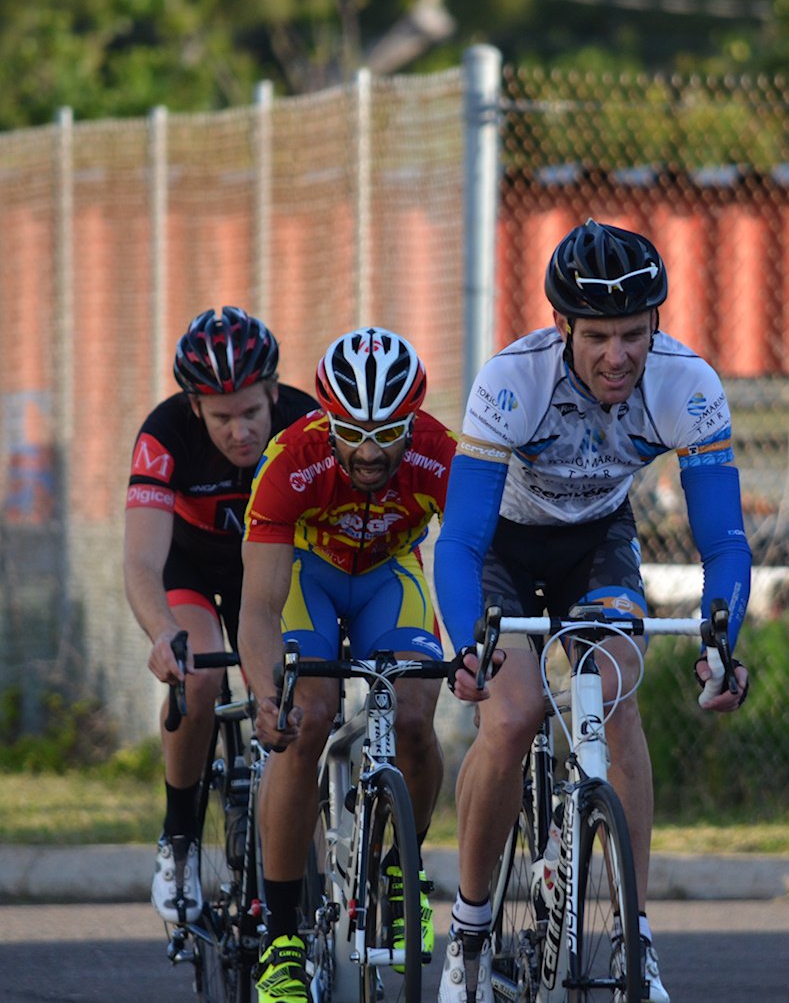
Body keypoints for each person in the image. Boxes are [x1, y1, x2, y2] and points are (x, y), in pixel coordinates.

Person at [433, 219, 754, 1003]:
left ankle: (634, 937)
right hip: (502, 546)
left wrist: (721, 644)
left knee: (614, 700)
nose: (619, 356)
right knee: (509, 719)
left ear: (657, 327)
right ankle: (470, 938)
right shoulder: (512, 380)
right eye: (600, 336)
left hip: (596, 539)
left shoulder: (689, 384)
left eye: (635, 335)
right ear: (563, 327)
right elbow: (461, 540)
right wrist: (469, 646)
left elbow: (725, 543)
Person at [239, 327, 457, 1003]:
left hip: (391, 574)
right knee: (308, 721)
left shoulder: (441, 453)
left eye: (388, 432)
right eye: (350, 431)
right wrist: (264, 693)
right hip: (312, 576)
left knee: (418, 717)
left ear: (413, 420)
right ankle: (281, 939)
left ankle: (403, 873)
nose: (367, 451)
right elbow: (258, 606)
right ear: (324, 417)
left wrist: (481, 649)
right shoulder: (289, 460)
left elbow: (472, 558)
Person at [125, 306, 318, 925]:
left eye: (251, 412)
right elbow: (141, 562)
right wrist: (164, 635)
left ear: (272, 392)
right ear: (194, 407)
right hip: (192, 569)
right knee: (200, 675)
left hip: (268, 573)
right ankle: (178, 841)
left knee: (294, 699)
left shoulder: (307, 421)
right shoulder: (165, 435)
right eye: (220, 417)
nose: (239, 432)